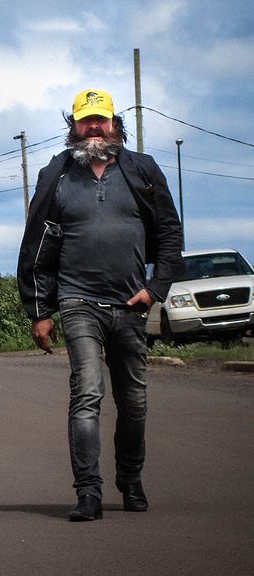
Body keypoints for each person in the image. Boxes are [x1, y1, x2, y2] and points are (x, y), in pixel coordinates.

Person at [17, 88, 183, 522]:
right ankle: (88, 492)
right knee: (87, 392)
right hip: (77, 301)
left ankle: (130, 478)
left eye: (101, 119)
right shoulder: (55, 175)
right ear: (73, 125)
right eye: (85, 119)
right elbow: (35, 245)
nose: (94, 126)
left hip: (131, 304)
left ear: (114, 124)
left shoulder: (142, 170)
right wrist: (40, 311)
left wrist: (155, 288)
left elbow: (170, 233)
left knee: (134, 402)